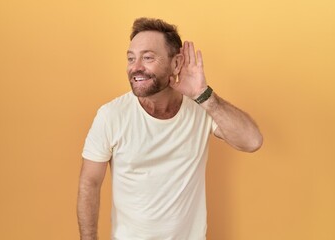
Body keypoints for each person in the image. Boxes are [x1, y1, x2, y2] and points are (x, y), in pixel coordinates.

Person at [77, 17, 263, 240]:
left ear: (176, 64)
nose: (135, 67)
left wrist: (204, 95)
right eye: (130, 58)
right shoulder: (111, 116)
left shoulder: (201, 109)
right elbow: (90, 183)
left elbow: (252, 141)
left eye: (147, 57)